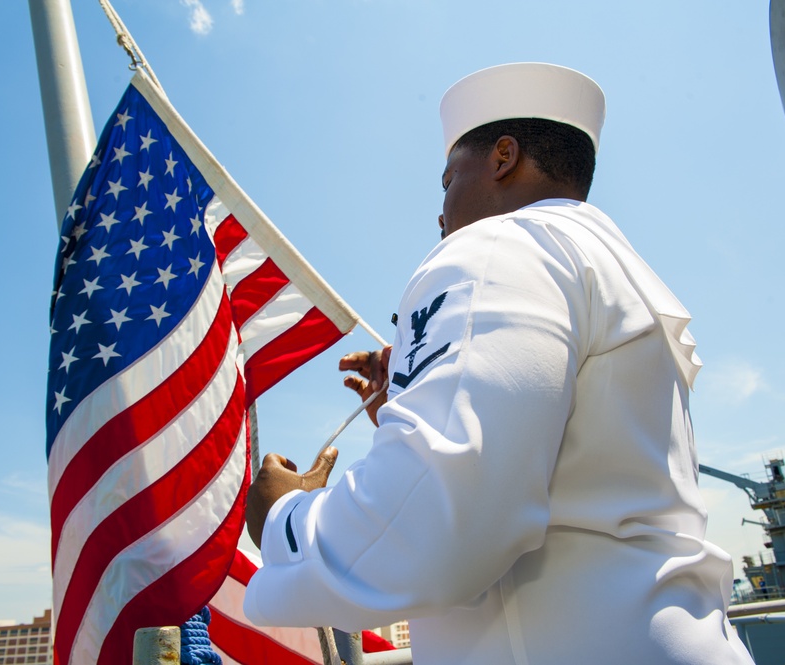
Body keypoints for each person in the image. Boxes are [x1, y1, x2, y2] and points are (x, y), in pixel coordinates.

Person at [243, 63, 755, 664]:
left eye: (447, 181)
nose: (441, 215)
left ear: (503, 157)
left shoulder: (496, 246)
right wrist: (412, 396)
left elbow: (432, 530)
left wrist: (280, 515)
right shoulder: (610, 264)